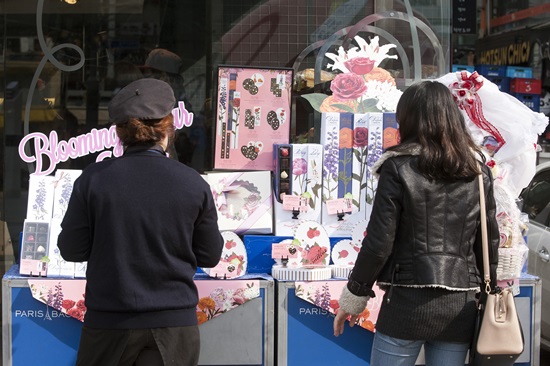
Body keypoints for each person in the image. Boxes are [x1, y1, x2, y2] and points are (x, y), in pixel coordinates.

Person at [58, 78, 224, 366]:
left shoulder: (94, 180)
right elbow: (210, 255)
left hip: (110, 321)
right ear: (168, 129)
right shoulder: (192, 183)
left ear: (120, 133)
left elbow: (72, 249)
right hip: (174, 324)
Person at [333, 80, 500, 366]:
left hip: (406, 302)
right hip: (459, 305)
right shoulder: (477, 172)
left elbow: (378, 242)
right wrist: (490, 289)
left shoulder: (397, 167)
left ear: (408, 121)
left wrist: (355, 295)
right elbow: (488, 242)